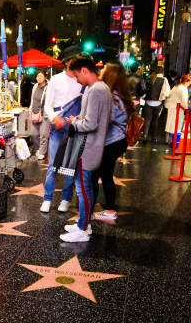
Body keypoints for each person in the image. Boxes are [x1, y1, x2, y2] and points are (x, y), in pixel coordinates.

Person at [59, 56, 113, 242]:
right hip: (90, 146)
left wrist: (75, 122)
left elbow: (90, 123)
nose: (76, 80)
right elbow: (100, 118)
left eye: (76, 75)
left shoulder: (96, 90)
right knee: (85, 187)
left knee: (82, 188)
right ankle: (84, 223)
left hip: (86, 148)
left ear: (84, 70)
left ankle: (83, 228)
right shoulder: (102, 88)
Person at [40, 44, 83, 213]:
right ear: (66, 62)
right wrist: (54, 118)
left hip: (75, 127)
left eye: (77, 59)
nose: (74, 62)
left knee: (70, 166)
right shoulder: (56, 80)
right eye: (72, 59)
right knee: (53, 165)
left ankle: (66, 198)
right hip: (58, 127)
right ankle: (47, 198)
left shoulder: (83, 80)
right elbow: (47, 106)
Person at [92, 62, 135, 221]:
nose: (100, 73)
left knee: (96, 176)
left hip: (110, 142)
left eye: (103, 71)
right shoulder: (121, 96)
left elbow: (102, 122)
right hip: (118, 141)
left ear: (109, 76)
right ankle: (108, 208)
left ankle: (100, 210)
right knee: (106, 175)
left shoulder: (110, 97)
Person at [142, 66, 170, 143]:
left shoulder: (149, 79)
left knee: (147, 120)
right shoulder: (164, 80)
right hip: (158, 103)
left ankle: (144, 136)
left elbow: (144, 91)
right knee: (155, 121)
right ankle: (154, 138)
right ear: (162, 72)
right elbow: (167, 93)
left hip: (148, 103)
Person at [164, 74, 191, 144]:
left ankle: (168, 140)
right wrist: (186, 109)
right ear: (187, 82)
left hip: (171, 107)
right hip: (178, 109)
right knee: (177, 126)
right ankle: (174, 142)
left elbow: (169, 95)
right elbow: (184, 101)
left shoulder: (176, 86)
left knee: (170, 124)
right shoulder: (184, 89)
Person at [29, 70, 49, 160]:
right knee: (33, 134)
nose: (39, 78)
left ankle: (42, 152)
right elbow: (32, 99)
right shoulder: (35, 86)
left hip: (44, 114)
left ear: (45, 77)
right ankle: (37, 148)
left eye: (41, 76)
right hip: (34, 113)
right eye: (38, 76)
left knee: (44, 135)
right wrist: (30, 110)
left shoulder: (48, 87)